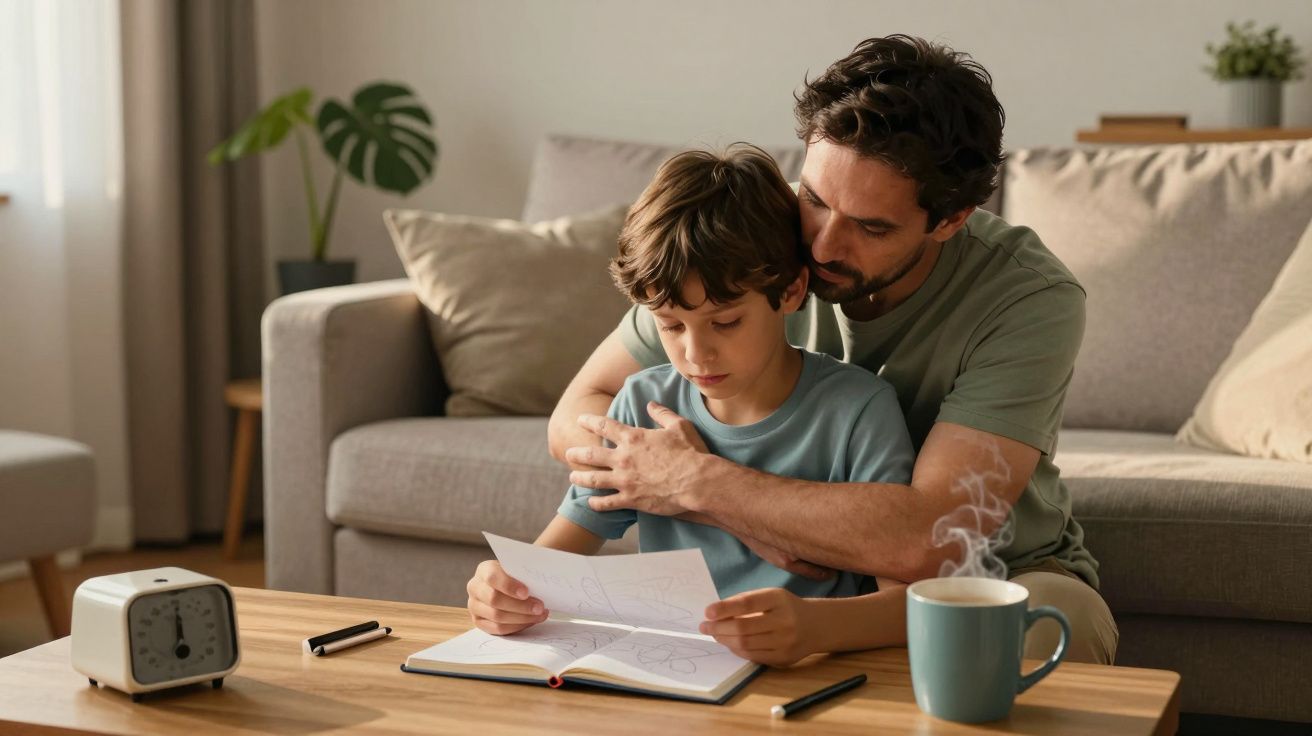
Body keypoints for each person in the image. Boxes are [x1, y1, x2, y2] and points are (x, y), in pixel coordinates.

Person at [545, 35, 1119, 665]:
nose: (819, 246)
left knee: (1039, 633)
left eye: (871, 227)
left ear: (950, 220)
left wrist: (700, 482)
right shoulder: (758, 239)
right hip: (793, 582)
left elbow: (931, 541)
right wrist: (729, 511)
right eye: (815, 199)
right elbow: (578, 414)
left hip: (988, 572)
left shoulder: (1028, 298)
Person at [466, 144, 917, 666]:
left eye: (726, 322)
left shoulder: (859, 411)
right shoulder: (643, 403)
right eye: (670, 326)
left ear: (792, 291)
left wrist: (815, 626)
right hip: (672, 676)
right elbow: (546, 565)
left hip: (810, 678)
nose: (695, 354)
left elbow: (912, 602)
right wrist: (500, 591)